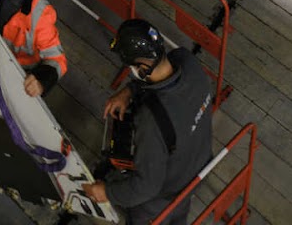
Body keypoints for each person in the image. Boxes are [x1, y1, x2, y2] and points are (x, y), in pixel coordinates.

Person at [80, 17, 214, 225]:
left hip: (164, 195)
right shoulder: (186, 59)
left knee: (142, 207)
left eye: (131, 67)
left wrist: (105, 192)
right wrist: (131, 89)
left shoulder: (152, 119)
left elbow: (146, 187)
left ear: (142, 68)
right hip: (197, 169)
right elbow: (165, 77)